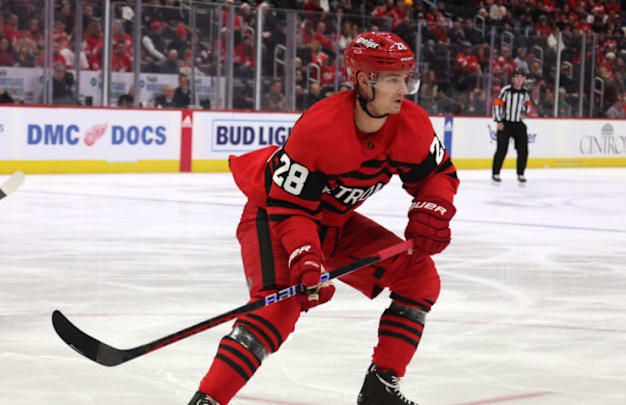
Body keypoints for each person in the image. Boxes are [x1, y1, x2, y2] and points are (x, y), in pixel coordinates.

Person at [187, 32, 459, 405]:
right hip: (273, 217)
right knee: (278, 309)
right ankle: (209, 400)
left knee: (419, 278)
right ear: (365, 80)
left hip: (334, 224)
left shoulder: (411, 124)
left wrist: (433, 207)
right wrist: (304, 254)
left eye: (406, 78)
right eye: (395, 79)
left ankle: (381, 388)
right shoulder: (319, 129)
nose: (404, 88)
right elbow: (291, 209)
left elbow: (437, 174)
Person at [491, 68, 531, 185]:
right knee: (502, 149)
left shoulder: (525, 92)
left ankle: (521, 173)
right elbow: (497, 105)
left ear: (524, 79)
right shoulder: (506, 90)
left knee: (523, 150)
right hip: (505, 123)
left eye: (521, 77)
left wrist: (525, 112)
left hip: (518, 124)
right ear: (513, 79)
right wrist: (498, 121)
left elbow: (527, 105)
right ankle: (496, 173)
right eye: (517, 77)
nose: (519, 79)